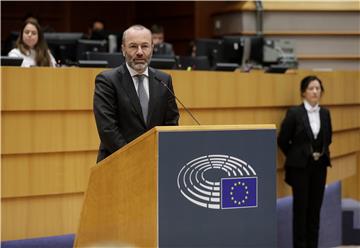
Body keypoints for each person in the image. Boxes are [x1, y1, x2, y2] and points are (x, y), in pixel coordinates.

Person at [93, 24, 180, 163]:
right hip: (118, 163)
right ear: (123, 49)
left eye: (145, 46)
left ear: (152, 48)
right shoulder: (107, 81)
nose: (139, 52)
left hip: (155, 163)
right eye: (133, 46)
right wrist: (136, 159)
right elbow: (107, 129)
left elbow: (171, 123)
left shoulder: (163, 80)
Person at [278, 75, 332, 248]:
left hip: (320, 166)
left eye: (317, 88)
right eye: (311, 88)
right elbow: (283, 140)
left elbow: (328, 138)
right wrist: (296, 156)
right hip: (300, 168)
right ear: (303, 92)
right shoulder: (294, 113)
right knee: (301, 211)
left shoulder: (325, 113)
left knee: (315, 211)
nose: (315, 91)